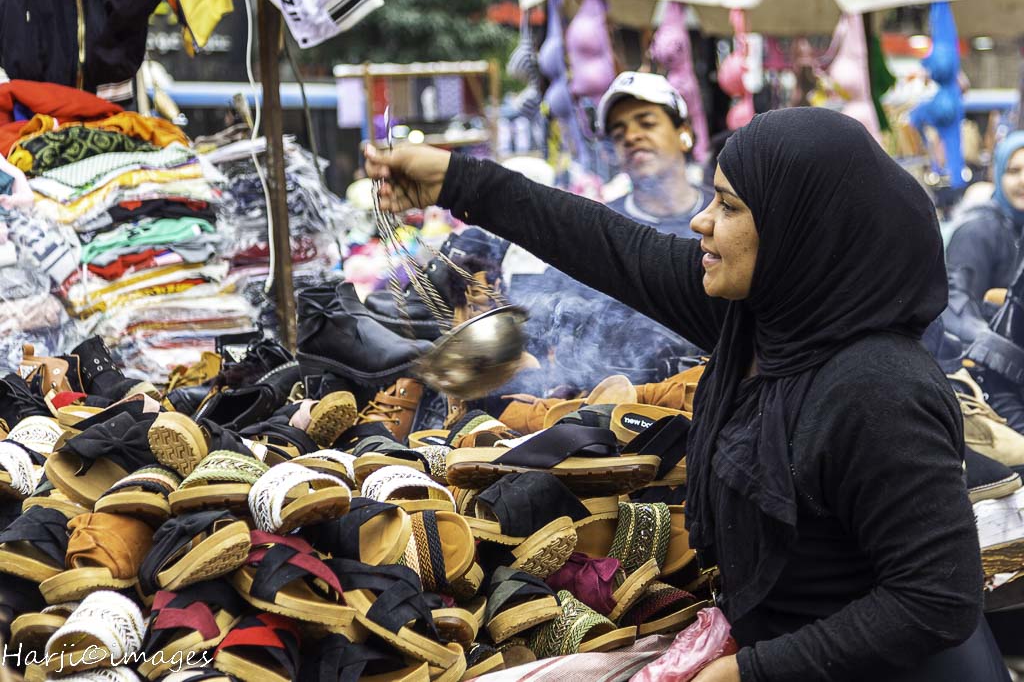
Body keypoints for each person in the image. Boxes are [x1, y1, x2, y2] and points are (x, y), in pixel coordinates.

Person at [366, 107, 1007, 681]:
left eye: (728, 207)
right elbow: (609, 245)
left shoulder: (878, 390)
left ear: (798, 230)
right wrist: (456, 181)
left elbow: (936, 601)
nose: (701, 220)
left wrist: (748, 672)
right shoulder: (760, 320)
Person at [597, 71, 713, 237]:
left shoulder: (727, 216)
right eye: (618, 134)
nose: (630, 137)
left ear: (684, 134)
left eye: (647, 123)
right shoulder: (603, 228)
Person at [943, 132, 1024, 343]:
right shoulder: (977, 231)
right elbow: (957, 310)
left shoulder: (1017, 226)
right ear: (996, 175)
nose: (1023, 180)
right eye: (1013, 171)